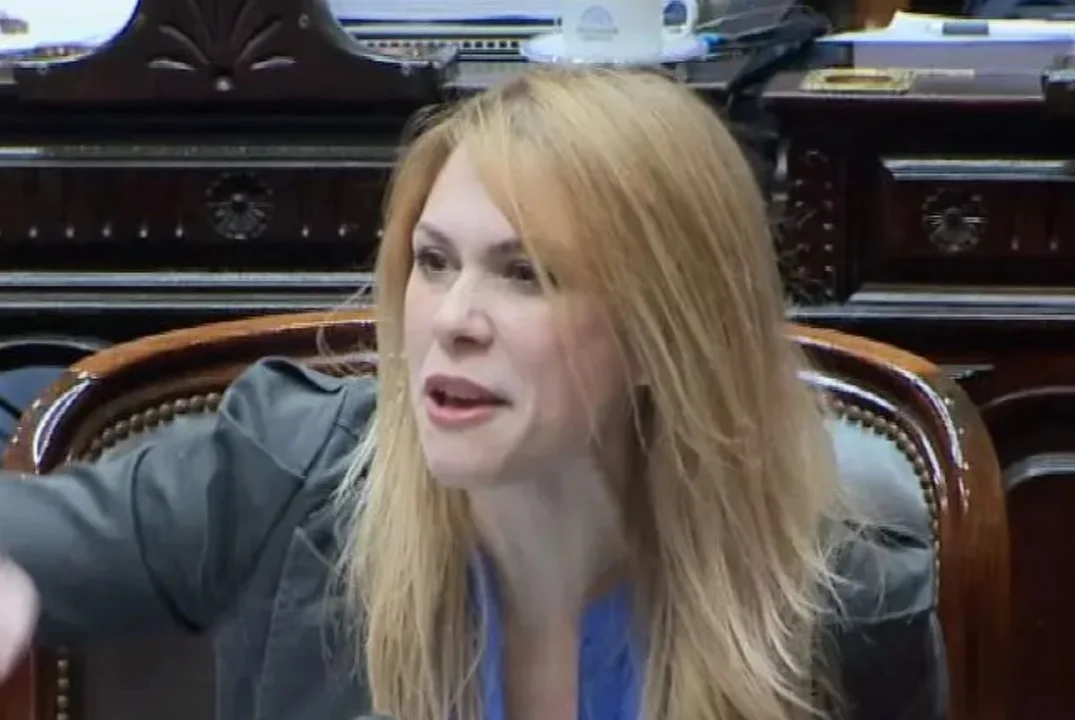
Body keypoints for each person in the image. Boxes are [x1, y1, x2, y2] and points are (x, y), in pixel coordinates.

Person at [0, 67, 944, 720]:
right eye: (433, 261)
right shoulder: (283, 479)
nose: (452, 320)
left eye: (525, 274)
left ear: (664, 333)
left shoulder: (844, 610)